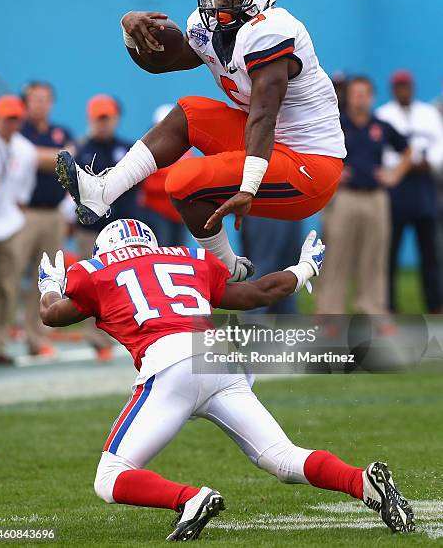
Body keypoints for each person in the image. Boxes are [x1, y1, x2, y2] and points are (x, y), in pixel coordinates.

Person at [38, 219, 414, 540]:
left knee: (110, 477)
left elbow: (53, 316)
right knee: (281, 457)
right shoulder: (189, 259)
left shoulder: (96, 271)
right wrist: (305, 269)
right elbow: (258, 293)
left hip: (170, 365)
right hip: (220, 358)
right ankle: (362, 482)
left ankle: (190, 498)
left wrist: (48, 286)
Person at [56, 0, 346, 284]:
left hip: (309, 164)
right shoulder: (210, 28)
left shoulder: (272, 31)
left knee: (183, 181)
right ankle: (103, 191)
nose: (216, 5)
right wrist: (130, 31)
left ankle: (226, 266)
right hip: (271, 143)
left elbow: (264, 115)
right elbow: (161, 63)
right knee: (189, 112)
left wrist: (249, 187)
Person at [316, 77, 411, 314]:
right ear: (348, 96)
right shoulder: (335, 123)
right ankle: (329, 314)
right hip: (344, 198)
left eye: (364, 93)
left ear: (372, 97)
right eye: (355, 93)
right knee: (336, 257)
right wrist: (335, 173)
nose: (360, 98)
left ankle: (372, 312)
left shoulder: (380, 126)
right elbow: (314, 150)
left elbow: (408, 151)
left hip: (376, 198)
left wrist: (394, 176)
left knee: (374, 257)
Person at [74, 95, 141, 360]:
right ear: (91, 119)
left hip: (123, 227)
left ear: (115, 118)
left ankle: (131, 330)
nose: (103, 123)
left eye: (107, 117)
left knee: (127, 279)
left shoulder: (128, 148)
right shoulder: (81, 150)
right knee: (92, 282)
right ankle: (97, 337)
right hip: (92, 228)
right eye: (98, 118)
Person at [376, 70, 443, 313]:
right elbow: (383, 153)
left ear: (412, 87)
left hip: (425, 185)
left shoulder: (428, 114)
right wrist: (407, 163)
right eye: (399, 86)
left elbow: (439, 145)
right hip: (397, 186)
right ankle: (389, 303)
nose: (403, 90)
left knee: (430, 250)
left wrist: (429, 163)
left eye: (407, 86)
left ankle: (434, 302)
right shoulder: (384, 114)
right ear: (393, 89)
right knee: (390, 248)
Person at [16, 81, 75, 356]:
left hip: (53, 214)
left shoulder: (59, 130)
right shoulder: (17, 130)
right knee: (8, 275)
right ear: (26, 102)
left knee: (47, 278)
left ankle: (36, 337)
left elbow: (70, 159)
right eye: (35, 99)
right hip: (22, 213)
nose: (40, 104)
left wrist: (40, 156)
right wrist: (51, 156)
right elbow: (28, 157)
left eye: (45, 99)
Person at [0, 96, 37, 364]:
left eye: (15, 118)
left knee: (4, 287)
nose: (11, 123)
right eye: (7, 118)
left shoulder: (26, 150)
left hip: (6, 225)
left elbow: (22, 193)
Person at [138, 104, 188, 246]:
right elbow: (145, 184)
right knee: (161, 251)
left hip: (179, 214)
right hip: (157, 212)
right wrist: (175, 184)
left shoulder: (184, 148)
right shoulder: (149, 149)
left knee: (179, 254)